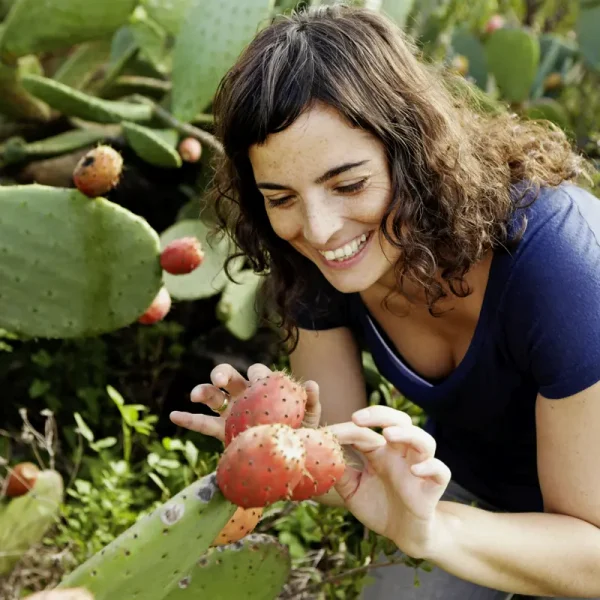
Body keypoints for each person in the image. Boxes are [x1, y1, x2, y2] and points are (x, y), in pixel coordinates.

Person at [169, 4, 600, 599]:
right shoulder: (312, 260)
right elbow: (346, 464)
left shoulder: (559, 259)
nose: (319, 229)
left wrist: (434, 531)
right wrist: (285, 445)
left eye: (349, 184)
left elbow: (592, 557)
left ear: (417, 153)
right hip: (471, 492)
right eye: (281, 197)